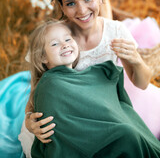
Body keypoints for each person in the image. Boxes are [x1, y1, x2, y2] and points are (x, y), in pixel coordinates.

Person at [27, 19, 160, 158]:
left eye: (68, 39)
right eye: (55, 44)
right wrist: (29, 120)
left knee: (130, 131)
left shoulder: (90, 75)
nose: (65, 45)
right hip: (85, 140)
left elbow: (98, 107)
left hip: (112, 126)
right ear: (43, 57)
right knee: (127, 135)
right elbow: (61, 123)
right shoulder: (50, 84)